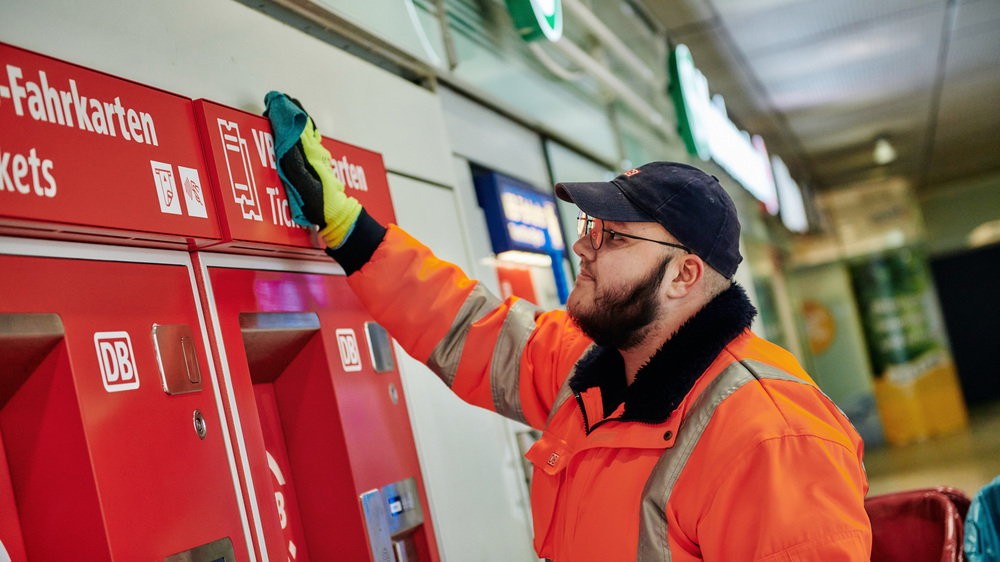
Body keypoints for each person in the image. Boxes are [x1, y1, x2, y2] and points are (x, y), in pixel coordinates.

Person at [264, 92, 872, 561]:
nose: (583, 246)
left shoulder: (773, 439)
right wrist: (346, 227)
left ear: (684, 276)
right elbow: (466, 325)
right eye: (589, 224)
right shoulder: (596, 375)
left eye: (612, 236)